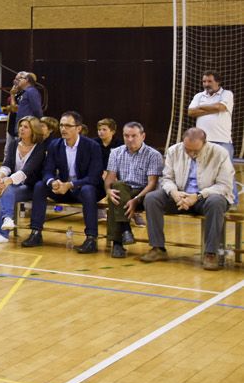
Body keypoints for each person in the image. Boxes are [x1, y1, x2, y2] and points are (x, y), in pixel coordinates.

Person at [141, 128, 235, 269]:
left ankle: (210, 254)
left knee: (216, 202)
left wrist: (197, 196)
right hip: (179, 196)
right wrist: (174, 193)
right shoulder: (174, 151)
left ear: (204, 143)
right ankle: (158, 248)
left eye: (195, 151)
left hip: (206, 198)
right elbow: (166, 178)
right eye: (187, 149)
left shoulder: (220, 153)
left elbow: (224, 185)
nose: (191, 154)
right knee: (152, 198)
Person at [27, 110, 105, 251]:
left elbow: (94, 177)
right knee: (40, 185)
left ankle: (91, 239)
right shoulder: (55, 145)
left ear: (79, 128)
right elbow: (47, 170)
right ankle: (36, 232)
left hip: (83, 188)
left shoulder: (92, 146)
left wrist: (70, 185)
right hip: (62, 188)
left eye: (68, 126)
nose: (63, 129)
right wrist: (52, 182)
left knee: (88, 190)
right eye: (62, 125)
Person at [102, 121, 163, 259]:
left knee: (117, 194)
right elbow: (110, 178)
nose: (130, 139)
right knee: (116, 189)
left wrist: (136, 200)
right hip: (123, 191)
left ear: (143, 136)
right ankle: (125, 230)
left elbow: (152, 184)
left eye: (134, 136)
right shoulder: (116, 152)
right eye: (126, 136)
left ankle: (117, 243)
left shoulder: (153, 155)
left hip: (143, 193)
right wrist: (107, 191)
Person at [0, 117, 48, 245]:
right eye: (21, 126)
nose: (21, 129)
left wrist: (7, 181)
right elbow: (7, 164)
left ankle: (2, 231)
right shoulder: (14, 143)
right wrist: (0, 178)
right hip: (14, 185)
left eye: (26, 127)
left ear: (34, 130)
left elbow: (27, 171)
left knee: (6, 189)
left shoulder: (40, 148)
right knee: (6, 189)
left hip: (32, 187)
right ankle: (7, 221)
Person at [187, 71, 235, 163]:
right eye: (204, 81)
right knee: (201, 171)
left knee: (226, 172)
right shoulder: (198, 96)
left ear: (218, 82)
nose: (206, 84)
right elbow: (191, 112)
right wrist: (214, 109)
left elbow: (221, 107)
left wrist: (200, 107)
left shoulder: (227, 94)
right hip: (202, 141)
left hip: (222, 140)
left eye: (209, 81)